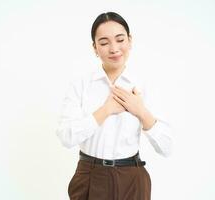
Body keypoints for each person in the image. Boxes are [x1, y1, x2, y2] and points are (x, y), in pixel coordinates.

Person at [56, 11, 172, 200]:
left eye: (120, 39)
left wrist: (140, 111)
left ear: (130, 40)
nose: (114, 48)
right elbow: (66, 136)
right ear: (95, 48)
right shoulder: (81, 85)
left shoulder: (144, 86)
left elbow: (166, 147)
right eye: (104, 43)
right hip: (89, 176)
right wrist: (105, 110)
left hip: (132, 177)